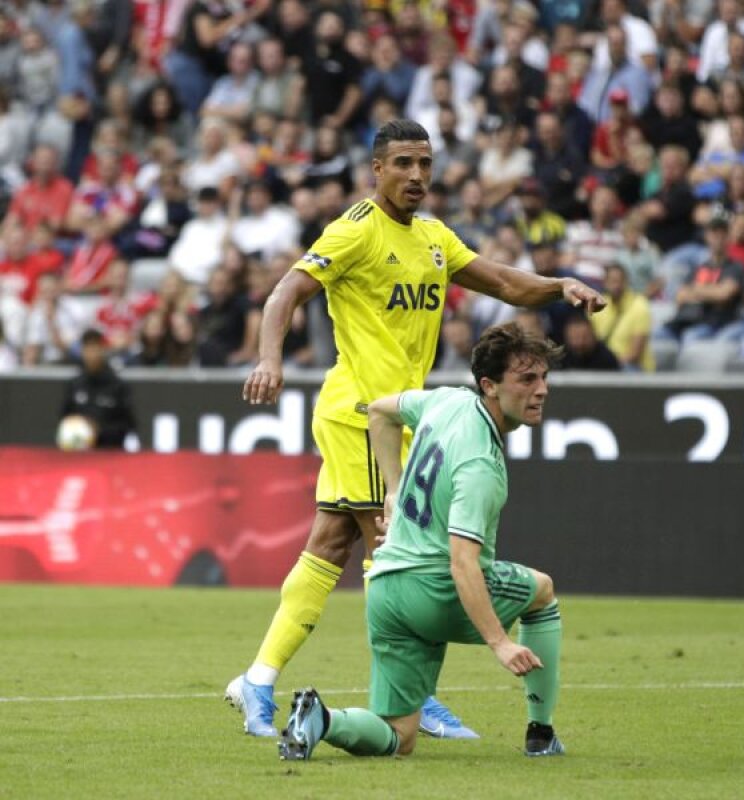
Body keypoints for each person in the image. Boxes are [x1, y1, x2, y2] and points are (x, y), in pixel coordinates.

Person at [227, 119, 604, 740]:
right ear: (377, 169)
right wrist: (269, 358)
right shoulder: (355, 230)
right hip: (362, 413)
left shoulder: (433, 237)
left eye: (425, 163)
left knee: (332, 545)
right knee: (396, 554)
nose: (417, 175)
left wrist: (559, 286)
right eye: (403, 163)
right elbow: (284, 294)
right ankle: (411, 697)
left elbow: (505, 282)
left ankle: (260, 681)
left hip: (402, 416)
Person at [277, 322, 567, 761]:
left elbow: (379, 411)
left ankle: (323, 719)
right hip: (434, 591)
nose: (541, 389)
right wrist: (500, 642)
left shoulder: (447, 400)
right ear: (489, 385)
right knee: (541, 591)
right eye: (526, 379)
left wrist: (393, 490)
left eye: (543, 377)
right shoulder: (480, 464)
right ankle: (541, 734)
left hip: (386, 589)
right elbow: (462, 564)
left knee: (400, 736)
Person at [59, 328, 136, 449]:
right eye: (88, 349)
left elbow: (128, 425)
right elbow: (64, 418)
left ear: (103, 350)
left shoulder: (117, 385)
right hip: (79, 451)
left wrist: (99, 431)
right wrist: (77, 426)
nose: (91, 355)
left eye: (95, 349)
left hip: (109, 451)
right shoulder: (75, 384)